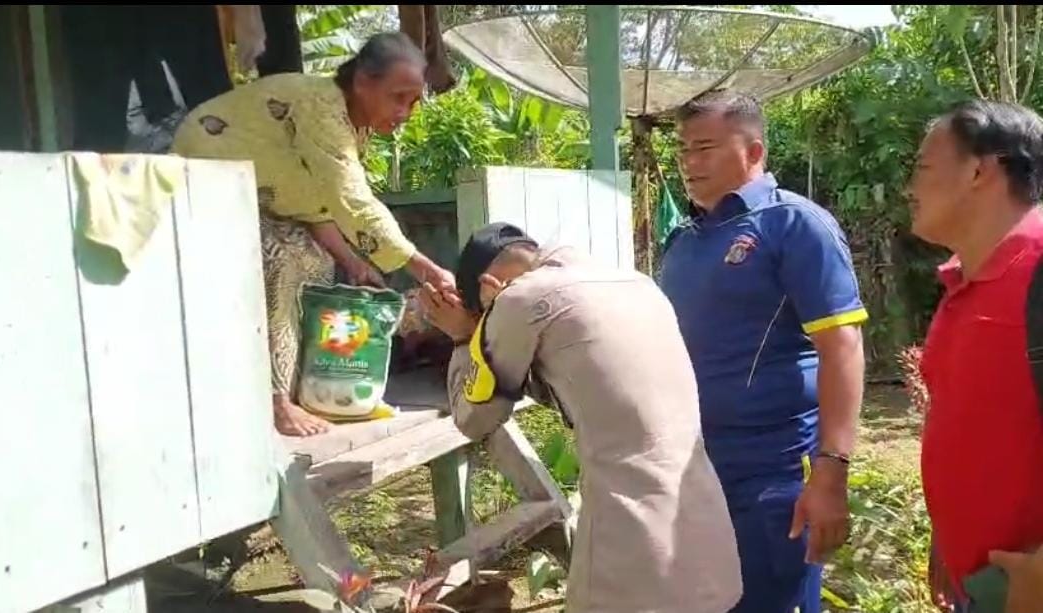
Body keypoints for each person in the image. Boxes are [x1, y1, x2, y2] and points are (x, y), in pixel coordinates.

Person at [420, 222, 743, 613]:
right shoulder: (637, 284)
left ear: (490, 285)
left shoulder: (519, 299)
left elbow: (474, 419)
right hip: (705, 531)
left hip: (632, 540)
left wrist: (463, 337)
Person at [172, 32, 456, 437]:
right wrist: (426, 269)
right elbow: (352, 201)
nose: (405, 113)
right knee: (289, 255)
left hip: (251, 196)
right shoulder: (323, 109)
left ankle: (299, 390)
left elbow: (312, 202)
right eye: (398, 98)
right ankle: (276, 401)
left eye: (413, 102)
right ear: (363, 82)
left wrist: (353, 263)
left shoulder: (352, 123)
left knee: (318, 259)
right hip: (199, 181)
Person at [659, 90, 867, 613]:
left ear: (753, 151)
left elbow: (841, 346)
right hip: (695, 467)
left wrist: (832, 469)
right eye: (683, 149)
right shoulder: (685, 239)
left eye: (704, 147)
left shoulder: (794, 225)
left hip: (771, 471)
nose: (689, 162)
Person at [907, 99, 1043, 613]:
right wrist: (949, 535)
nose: (910, 188)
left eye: (923, 168)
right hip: (983, 585)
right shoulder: (963, 278)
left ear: (980, 172)